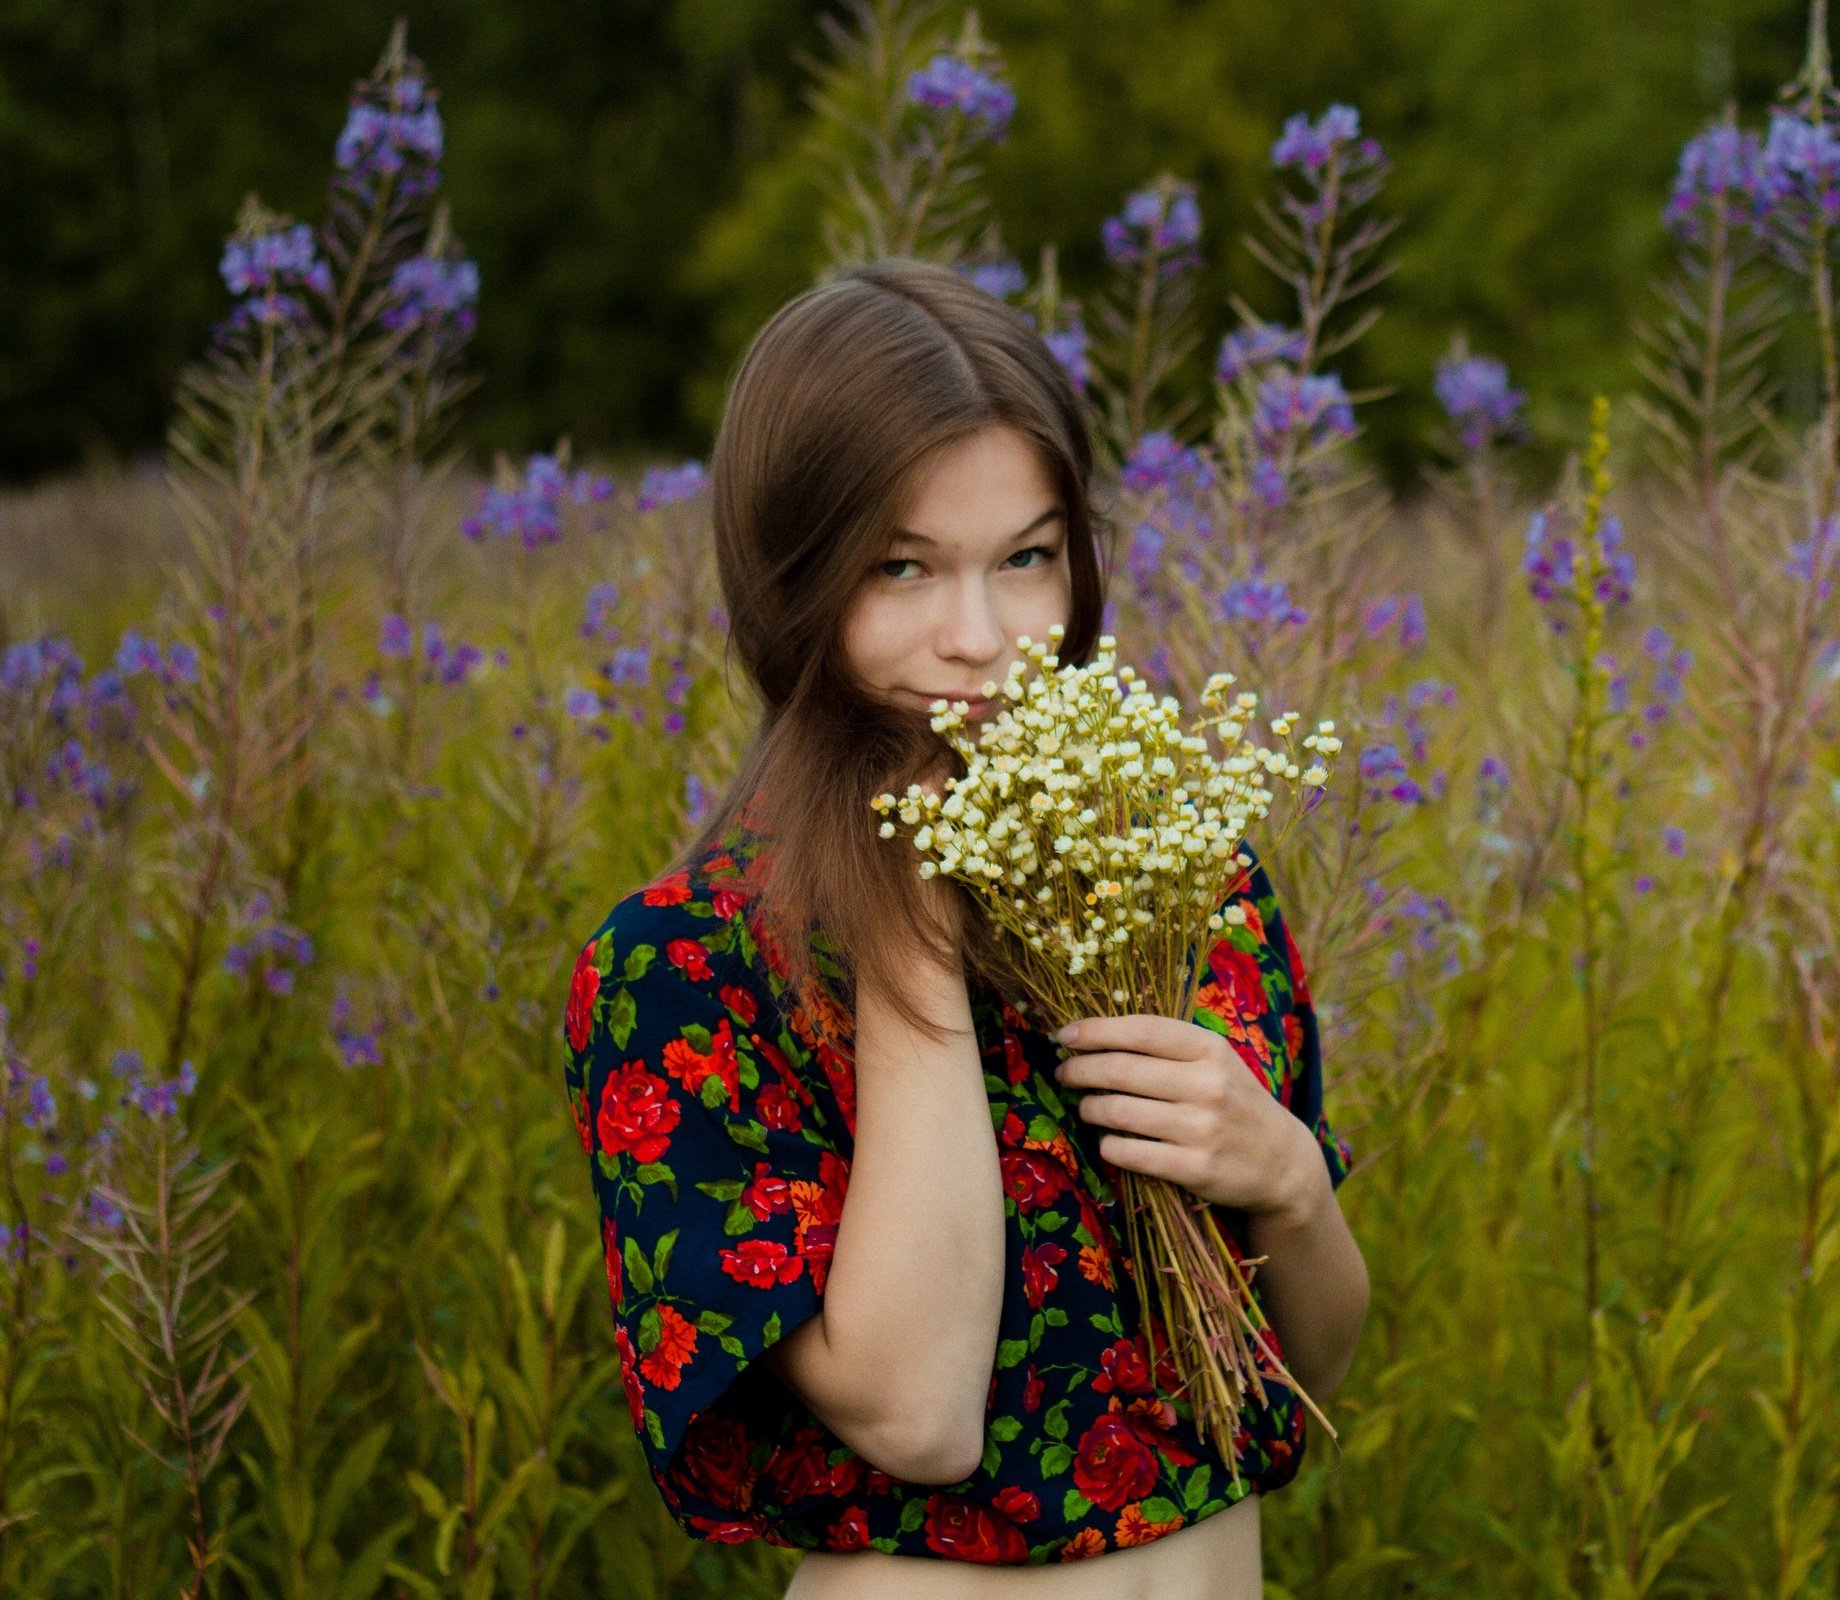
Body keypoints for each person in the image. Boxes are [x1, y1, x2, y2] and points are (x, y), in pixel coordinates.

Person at [560, 261, 1369, 1597]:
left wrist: (1286, 1175)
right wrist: (911, 929)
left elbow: (1312, 1372)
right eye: (903, 567)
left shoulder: (1175, 891)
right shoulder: (691, 971)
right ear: (790, 578)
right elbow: (918, 1416)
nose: (981, 637)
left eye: (1027, 559)